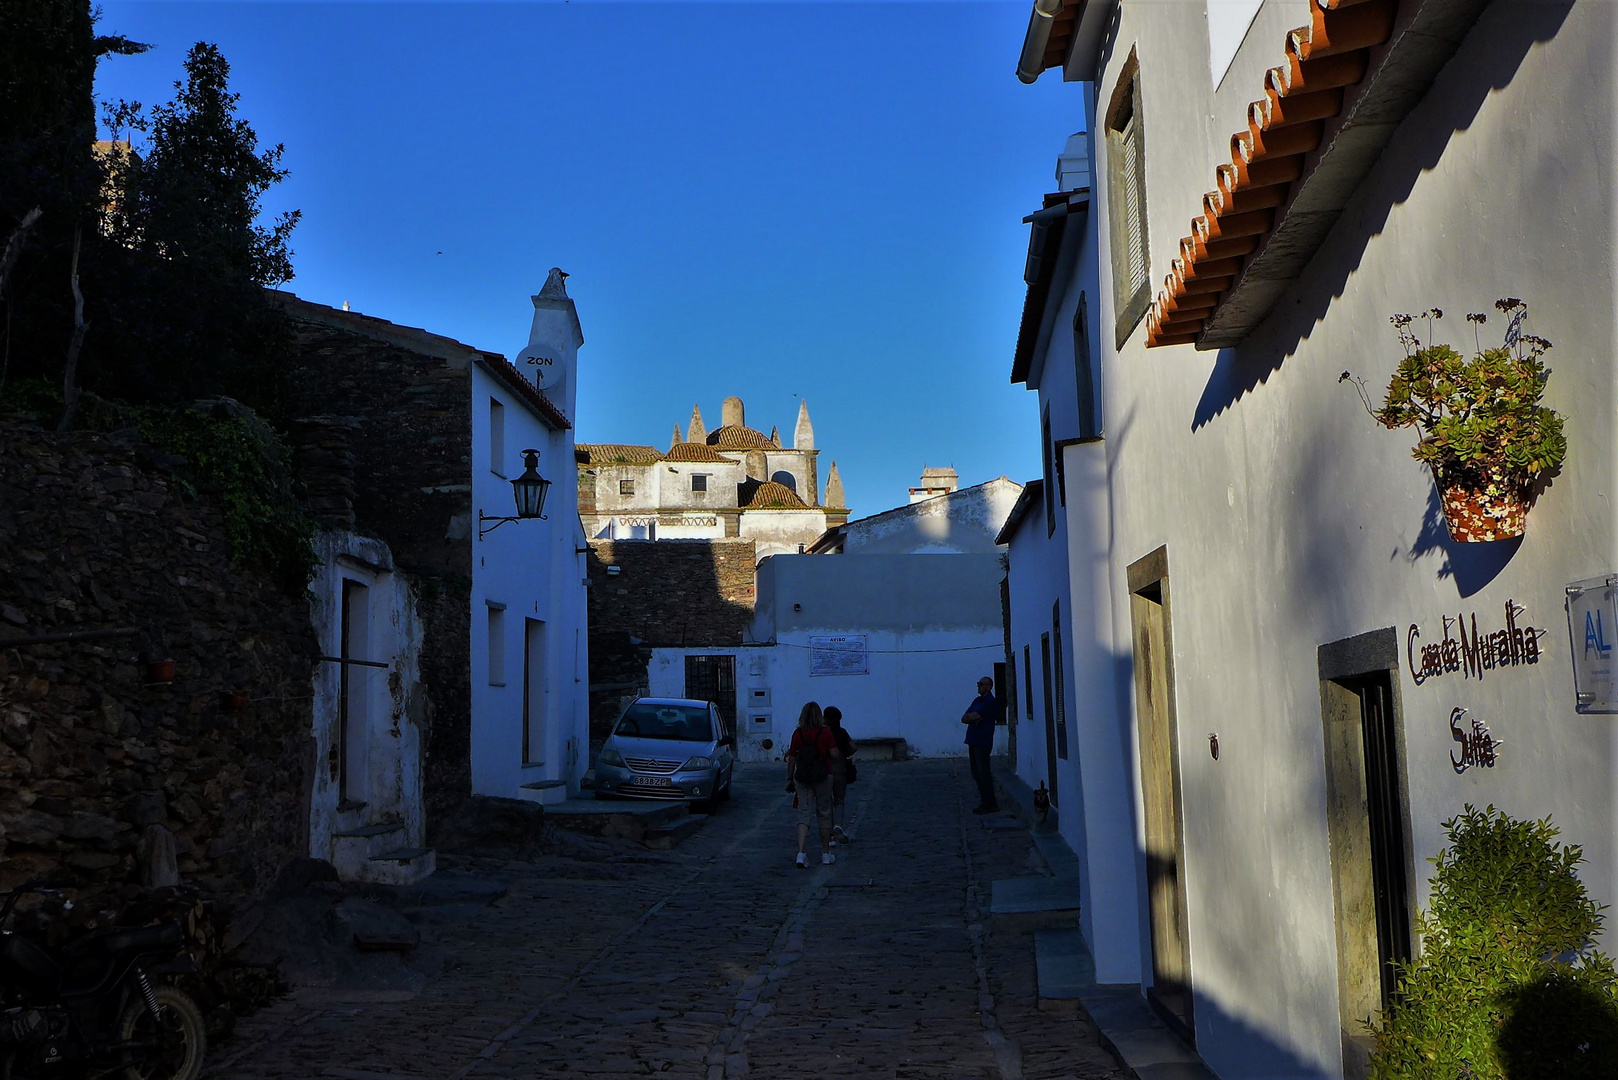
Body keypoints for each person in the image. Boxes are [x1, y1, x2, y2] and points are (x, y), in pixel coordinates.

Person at [786, 701, 841, 867]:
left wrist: (790, 778)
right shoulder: (825, 732)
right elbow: (834, 753)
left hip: (803, 777)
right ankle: (825, 853)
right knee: (824, 813)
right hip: (824, 775)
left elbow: (792, 758)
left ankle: (801, 854)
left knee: (803, 813)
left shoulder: (798, 733)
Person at [961, 676, 1001, 814]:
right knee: (976, 773)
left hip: (983, 741)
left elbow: (976, 716)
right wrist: (972, 718)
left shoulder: (990, 702)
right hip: (972, 740)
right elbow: (965, 717)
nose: (978, 686)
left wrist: (973, 717)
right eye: (978, 684)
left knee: (983, 772)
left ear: (989, 686)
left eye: (981, 684)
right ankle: (985, 801)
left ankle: (990, 803)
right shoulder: (977, 700)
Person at [824, 706, 857, 844]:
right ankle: (838, 825)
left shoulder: (824, 732)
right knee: (839, 800)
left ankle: (830, 834)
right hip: (840, 769)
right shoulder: (842, 732)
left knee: (826, 803)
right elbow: (854, 747)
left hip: (825, 770)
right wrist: (846, 754)